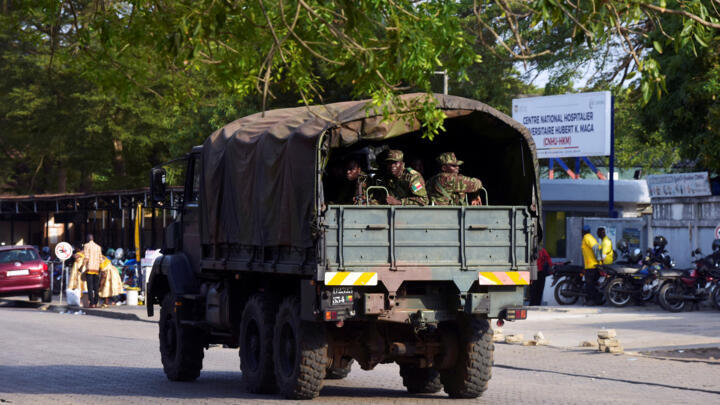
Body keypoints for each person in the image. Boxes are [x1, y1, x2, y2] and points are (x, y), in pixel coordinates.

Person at [581, 225, 603, 305]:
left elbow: (596, 248)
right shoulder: (589, 238)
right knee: (593, 284)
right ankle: (597, 300)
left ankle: (592, 300)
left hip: (591, 266)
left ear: (583, 231)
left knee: (590, 284)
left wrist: (599, 260)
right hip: (591, 265)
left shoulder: (587, 238)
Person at [82, 234, 103, 308]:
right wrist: (100, 268)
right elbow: (101, 259)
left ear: (88, 238)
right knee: (96, 287)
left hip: (89, 269)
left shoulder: (86, 246)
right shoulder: (98, 247)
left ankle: (92, 303)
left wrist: (82, 266)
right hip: (96, 269)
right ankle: (96, 302)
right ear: (93, 239)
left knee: (90, 287)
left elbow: (86, 257)